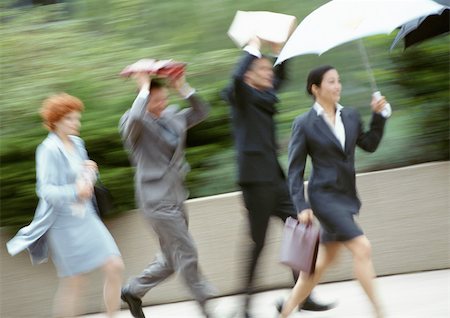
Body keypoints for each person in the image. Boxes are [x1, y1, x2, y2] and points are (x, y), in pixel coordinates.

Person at [221, 37, 332, 317]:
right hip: (254, 182)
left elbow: (280, 75)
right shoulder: (241, 96)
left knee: (302, 232)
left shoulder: (264, 97)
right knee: (258, 245)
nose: (269, 72)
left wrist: (279, 52)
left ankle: (302, 295)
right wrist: (253, 47)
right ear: (249, 74)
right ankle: (243, 306)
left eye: (269, 69)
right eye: (262, 69)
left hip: (275, 178)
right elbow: (236, 77)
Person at [279, 65, 391, 318]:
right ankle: (380, 312)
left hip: (346, 196)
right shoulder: (304, 123)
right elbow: (295, 171)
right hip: (323, 197)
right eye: (331, 82)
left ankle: (284, 312)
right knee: (362, 248)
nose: (337, 86)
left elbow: (369, 145)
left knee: (321, 264)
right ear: (315, 88)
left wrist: (379, 116)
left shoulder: (350, 116)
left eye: (338, 81)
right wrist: (301, 205)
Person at [6, 93, 124, 318]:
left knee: (115, 266)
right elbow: (46, 190)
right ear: (56, 121)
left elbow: (82, 180)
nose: (76, 123)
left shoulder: (78, 143)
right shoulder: (48, 149)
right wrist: (74, 190)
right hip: (63, 224)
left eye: (77, 118)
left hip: (86, 217)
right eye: (70, 119)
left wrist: (90, 171)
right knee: (75, 282)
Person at [119, 72, 216, 318]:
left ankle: (133, 289)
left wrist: (182, 87)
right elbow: (137, 116)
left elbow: (202, 111)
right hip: (155, 200)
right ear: (144, 100)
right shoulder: (132, 122)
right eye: (155, 101)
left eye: (164, 99)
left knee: (172, 260)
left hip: (175, 195)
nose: (161, 105)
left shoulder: (172, 115)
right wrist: (143, 87)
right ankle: (207, 307)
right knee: (187, 250)